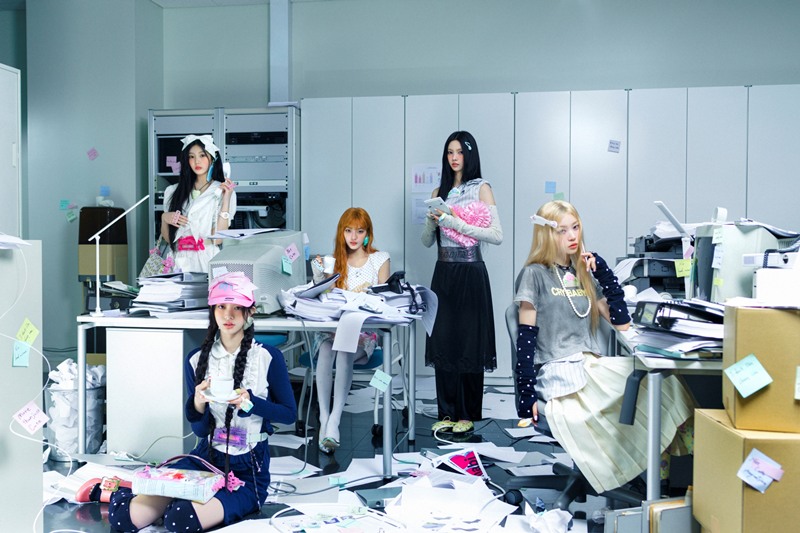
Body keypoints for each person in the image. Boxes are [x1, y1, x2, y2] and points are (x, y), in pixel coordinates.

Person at [76, 272, 297, 532]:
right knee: (126, 520)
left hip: (248, 470)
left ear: (250, 312)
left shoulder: (268, 357)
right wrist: (199, 404)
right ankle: (112, 490)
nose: (228, 315)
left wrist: (252, 402)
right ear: (212, 310)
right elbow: (201, 431)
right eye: (221, 307)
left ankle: (164, 499)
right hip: (204, 460)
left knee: (181, 519)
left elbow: (288, 414)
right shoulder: (196, 359)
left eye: (237, 308)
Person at [513, 200, 693, 494]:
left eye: (575, 227)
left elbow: (621, 323)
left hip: (590, 363)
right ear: (546, 234)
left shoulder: (581, 272)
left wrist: (604, 275)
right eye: (562, 231)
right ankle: (647, 484)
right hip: (558, 370)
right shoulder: (534, 274)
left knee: (663, 382)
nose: (572, 236)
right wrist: (526, 390)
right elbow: (526, 336)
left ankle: (664, 479)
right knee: (636, 395)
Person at [421, 131, 502, 434]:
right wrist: (431, 221)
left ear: (469, 155)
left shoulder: (482, 188)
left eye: (459, 152)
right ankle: (446, 412)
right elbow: (427, 242)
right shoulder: (439, 191)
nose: (454, 158)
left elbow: (496, 235)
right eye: (449, 152)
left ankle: (466, 413)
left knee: (469, 341)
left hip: (470, 272)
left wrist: (453, 221)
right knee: (443, 340)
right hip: (443, 272)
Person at [310, 207, 390, 453]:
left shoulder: (379, 259)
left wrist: (364, 295)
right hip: (332, 329)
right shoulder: (333, 261)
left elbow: (384, 300)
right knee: (327, 348)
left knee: (344, 349)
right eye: (348, 231)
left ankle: (334, 420)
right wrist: (319, 276)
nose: (353, 237)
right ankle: (325, 418)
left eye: (359, 231)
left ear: (367, 234)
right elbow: (322, 298)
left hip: (364, 331)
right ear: (341, 233)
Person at [161, 134, 237, 274]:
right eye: (191, 156)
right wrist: (164, 218)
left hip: (206, 259)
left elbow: (218, 239)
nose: (197, 161)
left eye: (202, 155)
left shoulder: (222, 191)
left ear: (212, 158)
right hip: (178, 260)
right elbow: (168, 239)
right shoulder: (173, 191)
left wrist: (226, 199)